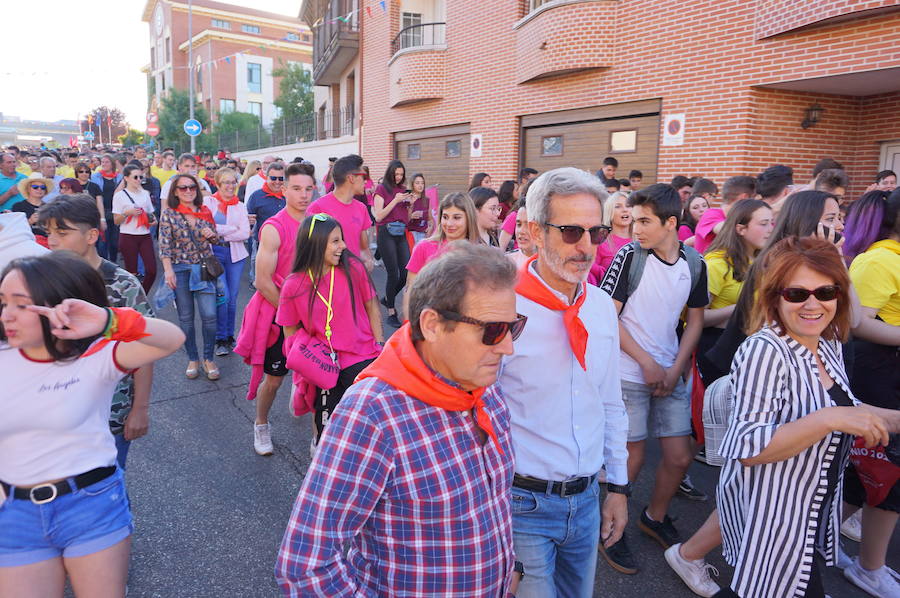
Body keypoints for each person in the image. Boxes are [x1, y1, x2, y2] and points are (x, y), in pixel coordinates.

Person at [275, 243, 524, 597]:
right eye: (492, 330)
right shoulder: (373, 414)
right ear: (433, 324)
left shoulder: (484, 386)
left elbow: (490, 503)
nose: (507, 347)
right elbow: (305, 566)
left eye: (513, 327)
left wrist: (508, 569)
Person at [716, 236, 899, 598]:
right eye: (797, 294)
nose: (813, 304)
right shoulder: (765, 351)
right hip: (774, 517)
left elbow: (849, 409)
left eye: (826, 291)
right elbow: (749, 447)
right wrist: (829, 419)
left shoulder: (827, 343)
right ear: (774, 297)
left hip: (809, 510)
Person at [0, 251, 184, 597]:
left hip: (90, 504)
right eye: (2, 302)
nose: (7, 314)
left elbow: (171, 340)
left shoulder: (95, 355)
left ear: (56, 305)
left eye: (21, 305)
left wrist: (107, 321)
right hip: (15, 514)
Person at [499, 167, 627, 597]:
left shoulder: (603, 307)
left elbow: (610, 402)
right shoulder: (500, 308)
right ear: (535, 231)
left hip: (588, 500)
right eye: (572, 232)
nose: (587, 247)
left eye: (597, 232)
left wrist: (619, 488)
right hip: (522, 504)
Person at [599, 183, 708, 574]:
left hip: (670, 371)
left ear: (671, 223)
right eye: (632, 219)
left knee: (679, 457)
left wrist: (676, 368)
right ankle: (612, 527)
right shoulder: (629, 257)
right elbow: (606, 315)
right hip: (629, 371)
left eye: (644, 221)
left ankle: (654, 517)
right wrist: (646, 363)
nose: (634, 228)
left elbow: (694, 320)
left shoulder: (694, 263)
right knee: (632, 455)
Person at [38, 194, 156, 469]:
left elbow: (144, 351)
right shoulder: (43, 283)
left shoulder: (122, 284)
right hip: (54, 415)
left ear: (91, 236)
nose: (52, 240)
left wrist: (139, 409)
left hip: (108, 414)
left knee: (108, 489)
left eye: (62, 232)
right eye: (49, 232)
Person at [277, 214, 383, 445]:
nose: (343, 246)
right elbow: (290, 331)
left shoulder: (352, 267)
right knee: (327, 429)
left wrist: (379, 344)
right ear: (316, 243)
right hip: (324, 362)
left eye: (341, 239)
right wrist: (307, 361)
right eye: (335, 241)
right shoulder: (294, 284)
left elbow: (372, 306)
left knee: (365, 425)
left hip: (362, 355)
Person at [235, 163, 317, 456]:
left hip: (314, 314)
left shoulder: (319, 223)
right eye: (296, 188)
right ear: (284, 190)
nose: (303, 195)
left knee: (319, 378)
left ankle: (317, 436)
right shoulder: (274, 227)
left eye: (308, 188)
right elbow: (262, 281)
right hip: (279, 315)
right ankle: (260, 423)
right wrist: (292, 316)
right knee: (274, 379)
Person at [842, 188, 900, 597]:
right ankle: (869, 567)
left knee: (868, 475)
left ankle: (836, 548)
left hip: (890, 370)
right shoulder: (879, 259)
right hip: (880, 374)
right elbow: (857, 323)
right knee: (883, 473)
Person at [158, 173, 220, 381]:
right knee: (186, 318)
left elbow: (216, 238)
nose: (188, 191)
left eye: (192, 187)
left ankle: (208, 358)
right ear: (175, 191)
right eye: (183, 188)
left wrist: (210, 234)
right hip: (181, 269)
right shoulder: (170, 214)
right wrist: (168, 271)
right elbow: (164, 245)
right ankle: (193, 358)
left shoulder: (205, 211)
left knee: (210, 317)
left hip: (203, 268)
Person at [404, 192, 480, 316]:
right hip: (428, 322)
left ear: (469, 218)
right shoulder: (424, 247)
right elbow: (411, 289)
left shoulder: (478, 252)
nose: (449, 224)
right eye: (445, 217)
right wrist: (409, 323)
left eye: (456, 217)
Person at [205, 168, 250, 357]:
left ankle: (230, 336)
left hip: (235, 256)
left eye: (233, 182)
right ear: (218, 184)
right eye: (226, 182)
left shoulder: (240, 206)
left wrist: (220, 230)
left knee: (232, 300)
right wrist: (232, 229)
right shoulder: (208, 202)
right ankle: (220, 338)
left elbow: (245, 233)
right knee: (222, 297)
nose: (230, 186)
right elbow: (206, 227)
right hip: (214, 255)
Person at [112, 164, 156, 294]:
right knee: (132, 272)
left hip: (144, 234)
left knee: (152, 270)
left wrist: (153, 220)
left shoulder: (145, 194)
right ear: (126, 178)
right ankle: (132, 298)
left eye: (140, 177)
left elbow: (150, 213)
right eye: (135, 177)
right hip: (128, 235)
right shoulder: (120, 196)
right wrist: (127, 213)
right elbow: (116, 221)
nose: (138, 180)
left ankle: (142, 294)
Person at [247, 162, 287, 286]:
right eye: (273, 178)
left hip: (287, 246)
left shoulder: (290, 195)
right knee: (264, 282)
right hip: (263, 246)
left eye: (281, 178)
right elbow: (248, 221)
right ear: (266, 177)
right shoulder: (256, 197)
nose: (277, 182)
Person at [694, 175, 756, 253]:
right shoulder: (711, 214)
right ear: (744, 197)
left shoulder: (737, 219)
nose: (758, 206)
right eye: (756, 200)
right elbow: (727, 230)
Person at [588, 190, 628, 284]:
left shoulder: (642, 239)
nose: (625, 209)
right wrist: (607, 275)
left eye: (628, 205)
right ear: (609, 212)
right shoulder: (599, 241)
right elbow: (590, 269)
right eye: (618, 206)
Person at [90, 154, 122, 262]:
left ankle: (113, 263)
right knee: (103, 242)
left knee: (114, 242)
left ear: (112, 164)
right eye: (102, 162)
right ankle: (103, 264)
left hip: (116, 211)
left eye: (107, 162)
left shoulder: (119, 177)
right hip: (102, 211)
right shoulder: (95, 177)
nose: (104, 164)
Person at [12, 177, 53, 245]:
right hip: (26, 243)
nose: (39, 189)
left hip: (46, 243)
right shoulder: (18, 206)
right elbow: (14, 229)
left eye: (43, 187)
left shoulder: (49, 207)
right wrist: (30, 221)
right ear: (28, 189)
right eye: (35, 187)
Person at [505, 201, 537, 268]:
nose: (521, 231)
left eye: (528, 226)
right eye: (519, 225)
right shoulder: (506, 262)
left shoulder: (553, 264)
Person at [405, 173, 432, 245]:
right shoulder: (407, 199)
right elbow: (403, 221)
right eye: (417, 183)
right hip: (410, 234)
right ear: (412, 184)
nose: (420, 185)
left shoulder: (427, 200)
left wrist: (429, 229)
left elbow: (430, 220)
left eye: (422, 183)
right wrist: (411, 216)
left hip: (423, 235)